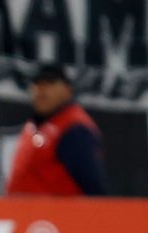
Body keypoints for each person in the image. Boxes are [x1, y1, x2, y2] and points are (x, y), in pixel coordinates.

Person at [6, 63, 107, 196]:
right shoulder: (35, 123)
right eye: (37, 83)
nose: (41, 89)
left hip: (54, 209)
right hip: (22, 208)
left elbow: (94, 189)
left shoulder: (74, 129)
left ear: (67, 89)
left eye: (49, 83)